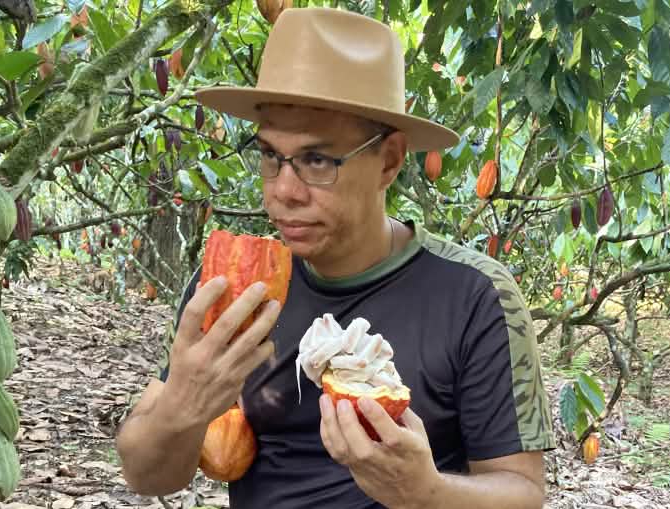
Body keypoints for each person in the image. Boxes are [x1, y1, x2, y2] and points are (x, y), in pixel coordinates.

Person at [116, 7, 556, 509]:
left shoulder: (472, 294)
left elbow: (522, 491)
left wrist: (425, 492)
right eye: (269, 156)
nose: (282, 191)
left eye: (317, 160)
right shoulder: (231, 287)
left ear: (389, 160)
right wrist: (183, 405)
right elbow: (149, 477)